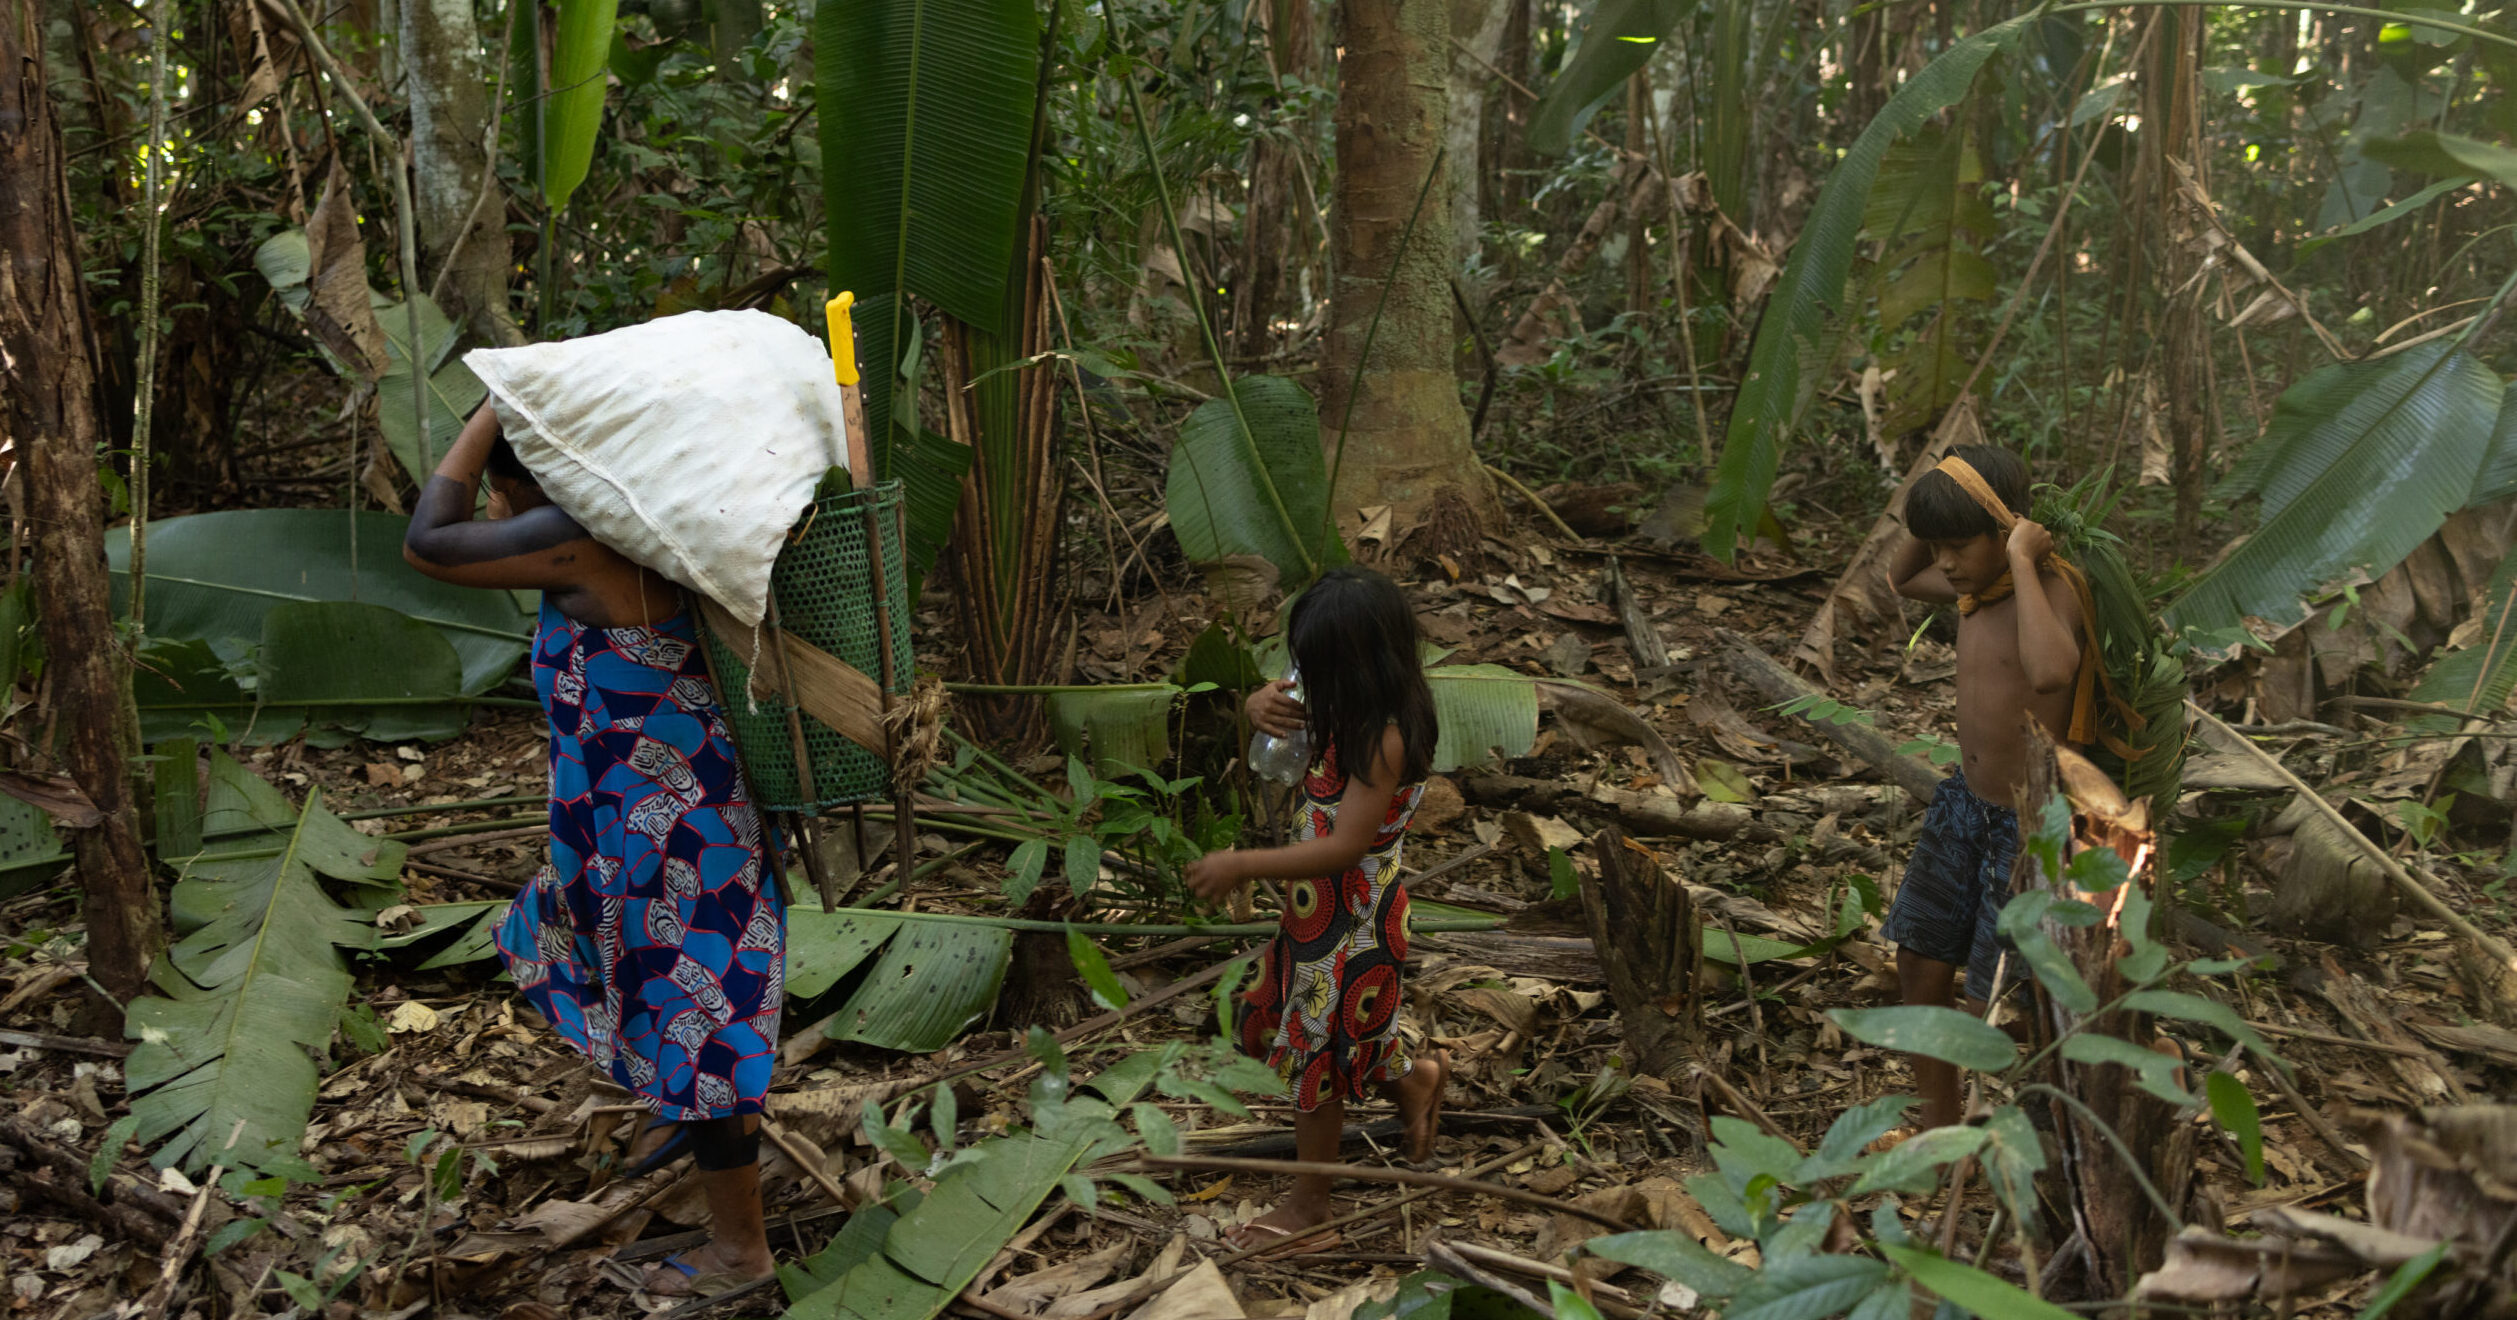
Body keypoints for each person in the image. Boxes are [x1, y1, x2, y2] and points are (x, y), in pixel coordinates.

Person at [404, 404, 781, 1297]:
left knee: (705, 1030)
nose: (498, 507)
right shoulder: (657, 513)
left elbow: (428, 542)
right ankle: (673, 1129)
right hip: (632, 818)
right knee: (595, 963)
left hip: (676, 827)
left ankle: (741, 1255)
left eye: (502, 484)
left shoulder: (581, 530)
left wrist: (491, 415)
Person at [1184, 566, 1450, 1255]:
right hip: (1316, 913)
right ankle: (1416, 1082)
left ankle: (1310, 1206)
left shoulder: (1383, 736)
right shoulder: (1343, 700)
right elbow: (1275, 702)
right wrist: (1254, 703)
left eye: (1315, 665)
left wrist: (1240, 863)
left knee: (1315, 1057)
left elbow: (1344, 848)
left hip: (1352, 919)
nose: (1302, 677)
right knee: (1313, 1030)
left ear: (1358, 666)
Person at [1882, 445, 2087, 1130]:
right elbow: (1900, 576)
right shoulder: (1973, 586)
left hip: (2028, 825)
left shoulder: (2047, 587)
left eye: (1957, 544)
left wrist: (2024, 558)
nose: (1944, 561)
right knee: (1918, 959)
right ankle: (1939, 1127)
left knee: (1996, 998)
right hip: (1964, 806)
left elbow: (2051, 671)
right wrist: (1941, 499)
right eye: (1937, 545)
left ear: (2008, 531)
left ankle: (2025, 1135)